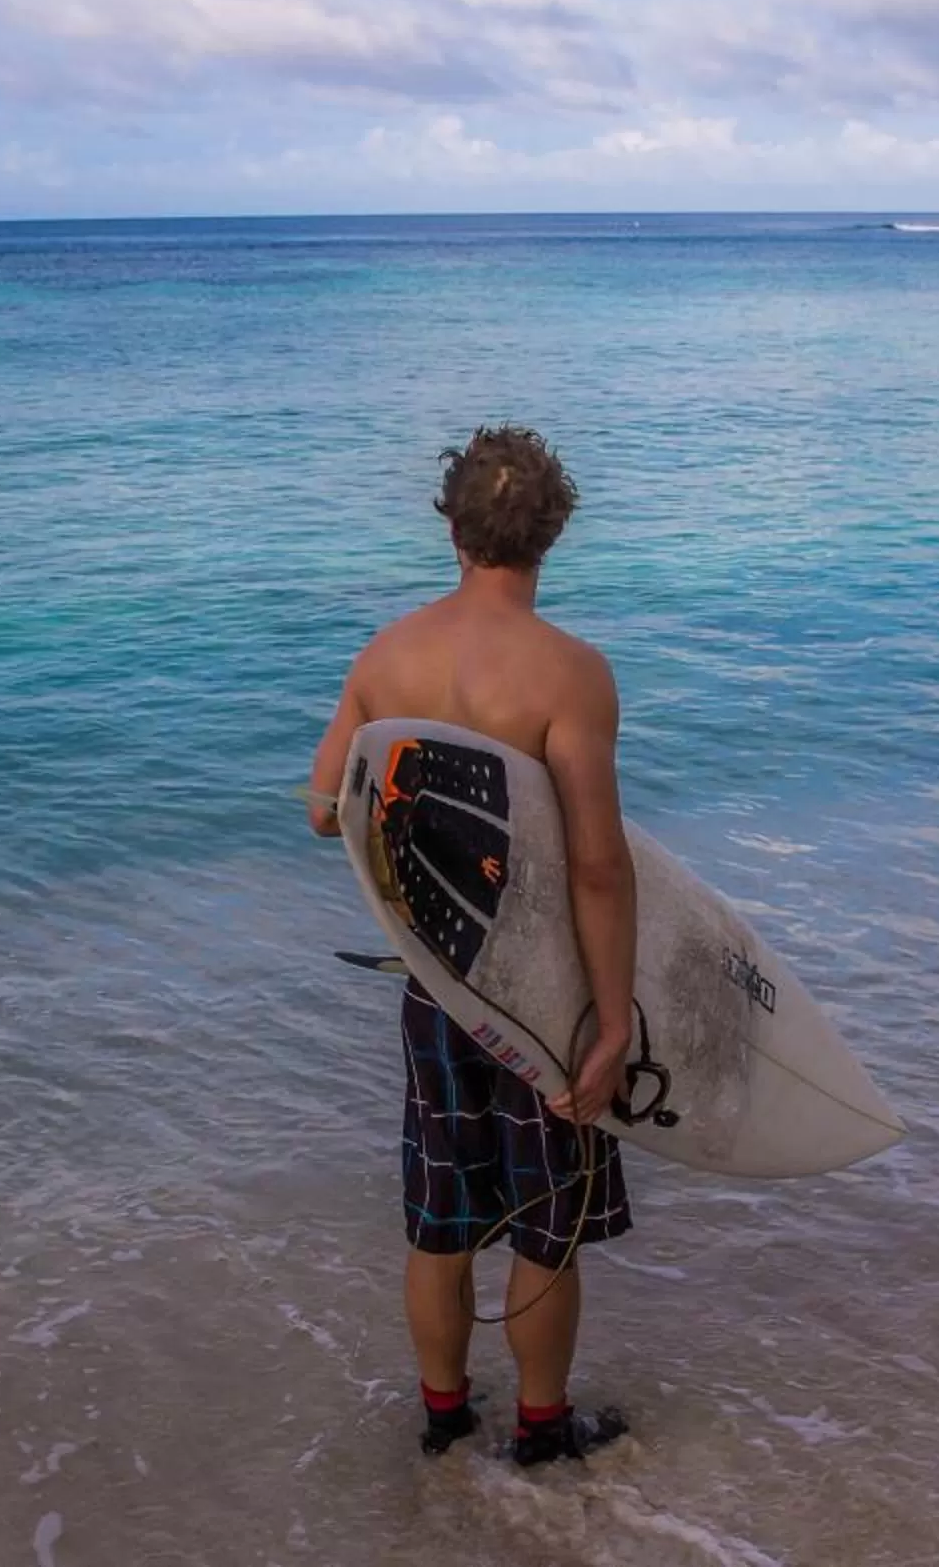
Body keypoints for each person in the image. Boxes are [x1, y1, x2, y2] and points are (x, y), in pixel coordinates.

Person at [306, 426, 637, 1467]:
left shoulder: (387, 656)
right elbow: (597, 866)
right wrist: (614, 1021)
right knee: (545, 1218)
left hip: (437, 983)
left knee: (440, 1215)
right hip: (544, 997)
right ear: (553, 534)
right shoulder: (569, 675)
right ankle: (541, 1431)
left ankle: (444, 1419)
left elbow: (323, 807)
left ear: (452, 528)